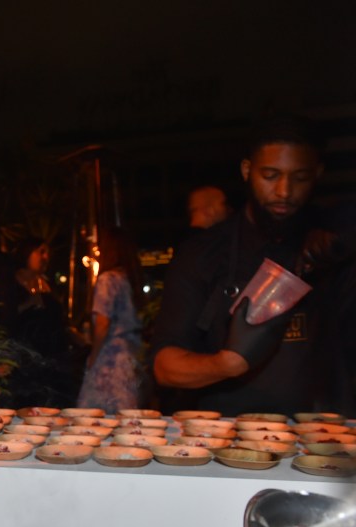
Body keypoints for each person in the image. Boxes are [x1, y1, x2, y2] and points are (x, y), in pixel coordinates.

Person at [152, 114, 356, 416]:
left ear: (317, 173)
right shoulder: (204, 254)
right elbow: (164, 366)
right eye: (271, 175)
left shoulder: (334, 244)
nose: (284, 192)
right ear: (247, 170)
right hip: (228, 441)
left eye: (299, 178)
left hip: (325, 441)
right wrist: (228, 363)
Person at [76, 228, 145, 413]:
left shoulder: (107, 280)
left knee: (93, 414)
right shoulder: (129, 280)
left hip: (110, 358)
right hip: (131, 355)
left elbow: (103, 323)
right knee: (126, 412)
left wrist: (93, 356)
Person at [4, 236, 78, 407]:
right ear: (27, 253)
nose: (45, 257)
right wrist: (30, 303)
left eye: (48, 253)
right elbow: (6, 318)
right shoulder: (10, 282)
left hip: (50, 362)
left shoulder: (47, 284)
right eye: (41, 252)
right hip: (22, 361)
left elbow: (60, 323)